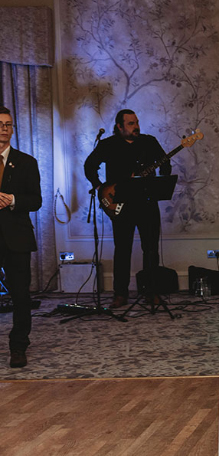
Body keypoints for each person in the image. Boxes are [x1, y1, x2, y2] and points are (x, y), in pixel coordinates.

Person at [84, 110, 172, 308]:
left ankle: (151, 292)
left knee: (151, 249)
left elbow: (165, 163)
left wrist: (162, 178)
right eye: (131, 124)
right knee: (122, 249)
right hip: (121, 204)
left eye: (137, 122)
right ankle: (120, 294)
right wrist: (99, 186)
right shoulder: (108, 144)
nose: (136, 127)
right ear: (119, 126)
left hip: (147, 203)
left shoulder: (149, 142)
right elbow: (89, 165)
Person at [0, 106, 42, 368]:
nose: (4, 129)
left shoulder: (26, 162)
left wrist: (13, 200)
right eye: (0, 124)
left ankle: (18, 346)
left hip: (16, 237)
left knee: (20, 295)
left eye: (8, 125)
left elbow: (36, 200)